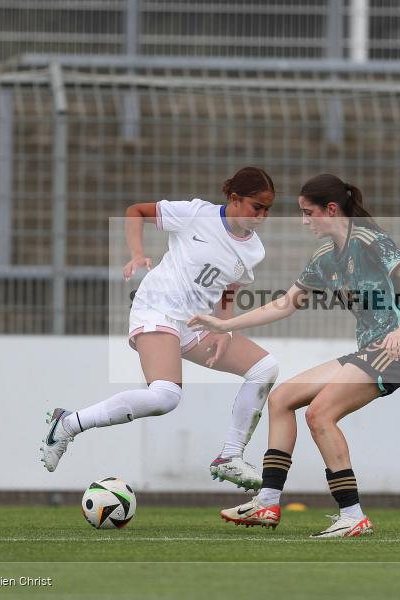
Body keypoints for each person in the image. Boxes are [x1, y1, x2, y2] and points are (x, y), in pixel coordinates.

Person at [189, 174, 400, 538]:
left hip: (396, 352)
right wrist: (227, 325)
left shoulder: (368, 240)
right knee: (282, 399)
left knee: (320, 414)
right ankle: (268, 503)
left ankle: (353, 515)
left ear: (330, 209)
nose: (303, 221)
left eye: (308, 213)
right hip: (368, 350)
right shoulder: (324, 257)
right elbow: (285, 304)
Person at [40, 166, 280, 491]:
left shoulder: (254, 249)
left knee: (264, 368)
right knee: (165, 397)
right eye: (257, 207)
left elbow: (229, 288)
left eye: (268, 209)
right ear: (235, 199)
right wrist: (138, 254)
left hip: (197, 322)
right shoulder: (196, 213)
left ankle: (230, 457)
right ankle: (67, 424)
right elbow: (135, 211)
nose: (262, 216)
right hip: (157, 308)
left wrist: (223, 328)